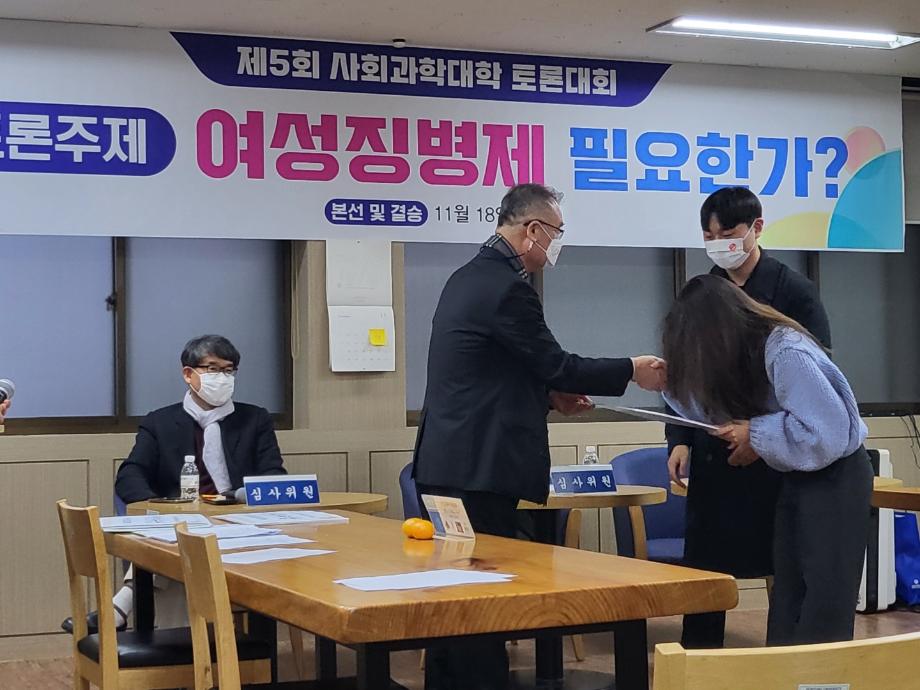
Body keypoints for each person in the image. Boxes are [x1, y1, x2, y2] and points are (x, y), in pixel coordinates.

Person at [412, 183, 666, 689]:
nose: (556, 244)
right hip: (480, 471)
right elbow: (555, 362)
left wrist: (550, 397)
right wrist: (631, 369)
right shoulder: (509, 288)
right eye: (556, 232)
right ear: (533, 229)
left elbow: (490, 373)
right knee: (485, 605)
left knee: (452, 603)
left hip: (446, 463)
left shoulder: (467, 277)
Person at [662, 275, 871, 646]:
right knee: (789, 597)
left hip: (836, 477)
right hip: (796, 476)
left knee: (823, 601)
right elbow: (715, 416)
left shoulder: (785, 350)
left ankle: (821, 677)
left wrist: (755, 434)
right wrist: (667, 383)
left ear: (717, 333)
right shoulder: (745, 355)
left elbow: (828, 433)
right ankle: (786, 673)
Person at [665, 187, 832, 648]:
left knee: (783, 566)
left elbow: (815, 381)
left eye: (728, 233)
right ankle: (698, 661)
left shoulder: (794, 292)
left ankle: (784, 657)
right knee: (705, 570)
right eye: (709, 236)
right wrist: (679, 438)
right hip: (714, 450)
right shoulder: (703, 292)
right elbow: (684, 370)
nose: (719, 244)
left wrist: (760, 436)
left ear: (757, 228)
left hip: (773, 458)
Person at [63, 334, 286, 634]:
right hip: (180, 522)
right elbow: (130, 474)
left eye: (229, 370)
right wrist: (158, 509)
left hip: (239, 521)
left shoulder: (254, 419)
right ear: (188, 374)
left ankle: (121, 605)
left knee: (179, 545)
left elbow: (274, 473)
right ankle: (194, 649)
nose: (222, 377)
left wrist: (244, 496)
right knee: (180, 541)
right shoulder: (160, 422)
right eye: (212, 369)